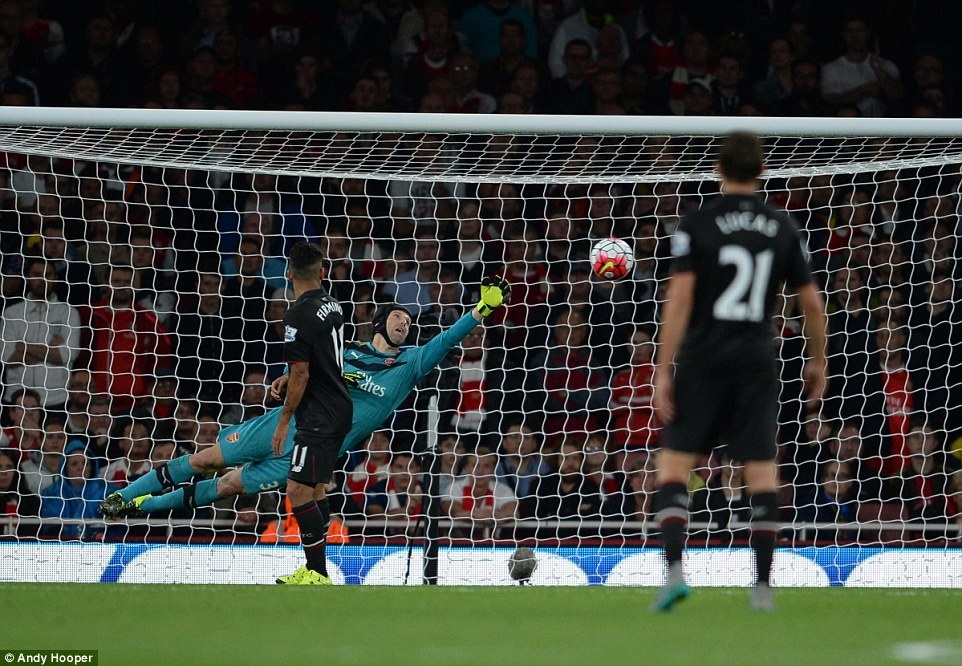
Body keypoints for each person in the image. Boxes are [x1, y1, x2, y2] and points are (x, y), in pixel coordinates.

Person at [99, 275, 513, 543]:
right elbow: (304, 364)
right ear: (380, 323)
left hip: (314, 449)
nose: (405, 323)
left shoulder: (408, 365)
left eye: (408, 320)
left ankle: (139, 507)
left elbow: (447, 339)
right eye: (398, 316)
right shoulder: (344, 352)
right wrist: (283, 378)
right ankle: (123, 496)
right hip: (288, 423)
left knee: (227, 487)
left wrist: (481, 310)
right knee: (207, 459)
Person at [650, 131, 828, 612]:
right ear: (762, 170)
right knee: (761, 470)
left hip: (704, 356)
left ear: (718, 169)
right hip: (756, 357)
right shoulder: (782, 225)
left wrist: (662, 367)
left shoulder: (698, 222)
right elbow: (811, 303)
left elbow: (680, 298)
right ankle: (763, 588)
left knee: (675, 465)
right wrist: (818, 359)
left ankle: (674, 574)